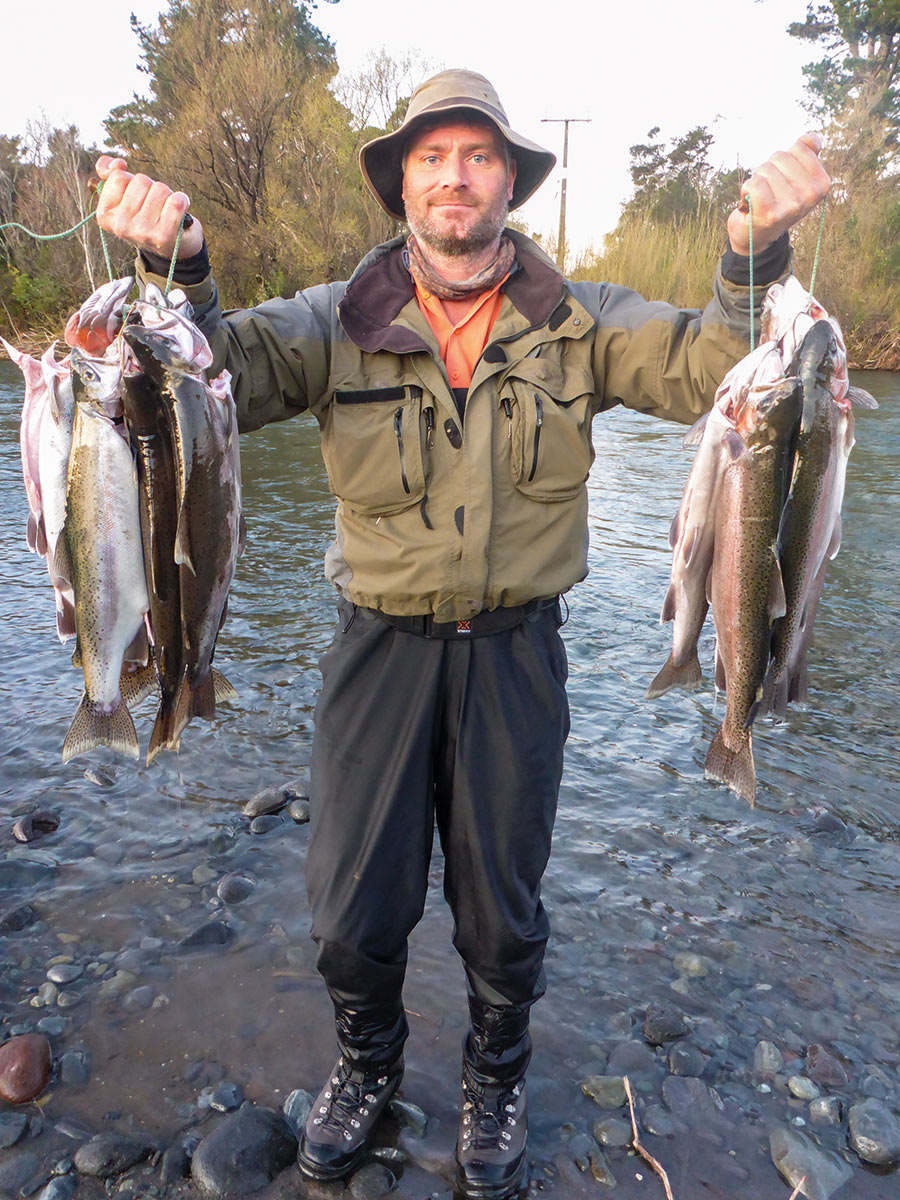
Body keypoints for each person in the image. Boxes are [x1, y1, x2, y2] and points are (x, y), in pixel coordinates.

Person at [95, 69, 830, 1200]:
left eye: (478, 156)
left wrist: (752, 255)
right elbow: (212, 374)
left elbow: (711, 370)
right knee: (350, 909)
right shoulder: (331, 318)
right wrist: (179, 267)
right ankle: (368, 1061)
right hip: (375, 652)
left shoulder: (580, 319)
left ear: (508, 182)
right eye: (432, 156)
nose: (454, 175)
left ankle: (497, 1073)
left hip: (516, 654)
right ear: (401, 182)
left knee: (504, 905)